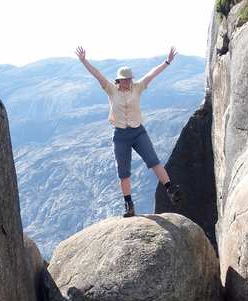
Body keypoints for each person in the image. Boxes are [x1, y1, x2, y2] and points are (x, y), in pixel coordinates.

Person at [76, 46, 181, 218]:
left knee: (153, 160)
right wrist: (84, 61)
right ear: (118, 80)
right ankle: (128, 205)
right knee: (123, 172)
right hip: (121, 135)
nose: (127, 82)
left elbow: (152, 74)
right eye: (124, 80)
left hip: (138, 131)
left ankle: (170, 189)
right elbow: (97, 74)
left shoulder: (138, 87)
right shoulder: (110, 89)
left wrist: (167, 62)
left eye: (129, 79)